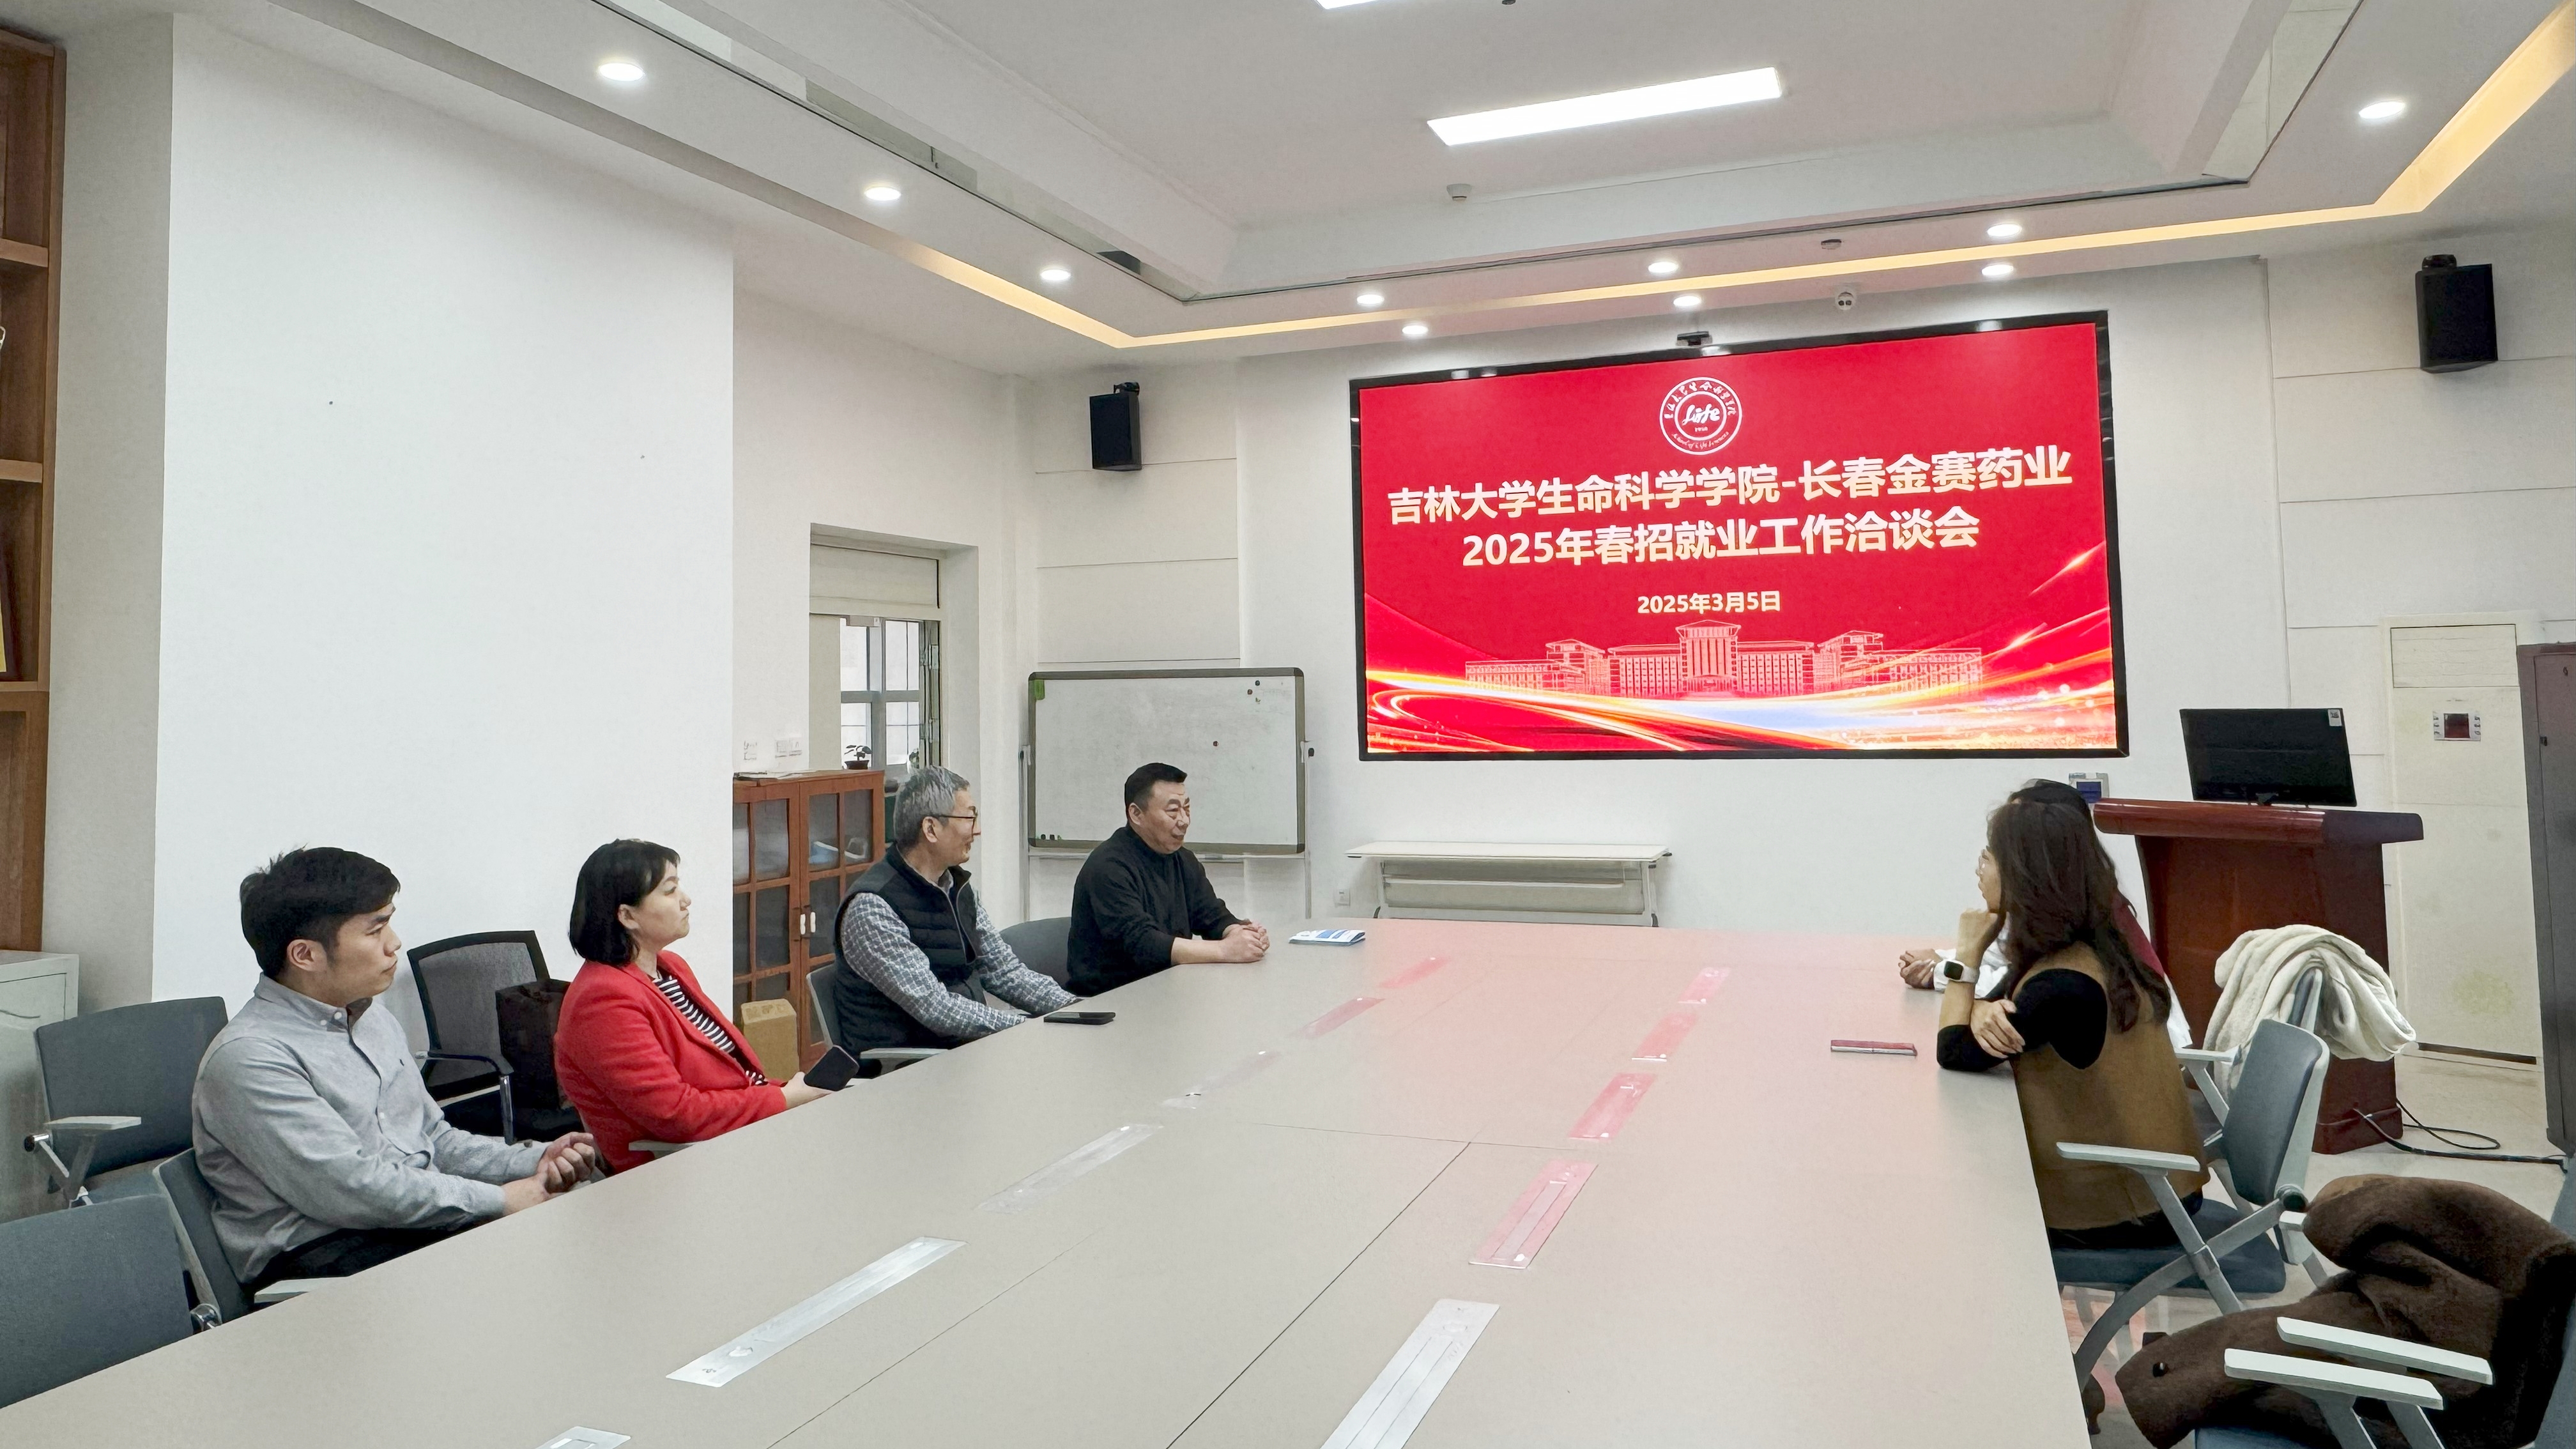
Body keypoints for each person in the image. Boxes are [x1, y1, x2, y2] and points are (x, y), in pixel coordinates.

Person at [192, 848, 598, 1289]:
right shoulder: (251, 1058)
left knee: (585, 1222)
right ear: (305, 955)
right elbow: (353, 1190)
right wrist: (499, 1200)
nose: (394, 943)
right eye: (376, 929)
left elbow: (433, 1139)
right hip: (326, 1254)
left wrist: (530, 1159)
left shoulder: (372, 1019)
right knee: (545, 1267)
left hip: (405, 1224)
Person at [1936, 799, 2208, 1252]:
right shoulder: (2093, 948)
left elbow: (1954, 1052)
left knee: (1951, 1213)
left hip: (2130, 1209)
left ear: (2025, 875)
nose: (1980, 869)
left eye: (1990, 857)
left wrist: (1966, 955)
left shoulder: (2062, 986)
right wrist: (1982, 1008)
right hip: (2162, 1190)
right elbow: (1990, 1014)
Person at [555, 839, 827, 1174]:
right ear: (627, 916)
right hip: (678, 1167)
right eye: (670, 891)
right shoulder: (602, 1001)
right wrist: (783, 1099)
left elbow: (735, 1075)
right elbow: (676, 1115)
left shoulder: (671, 968)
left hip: (736, 1133)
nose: (686, 900)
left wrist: (788, 1094)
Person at [1900, 779, 2192, 1052]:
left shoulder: (2076, 954)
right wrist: (1948, 962)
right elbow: (2005, 961)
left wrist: (1952, 974)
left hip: (2163, 1060)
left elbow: (1959, 1045)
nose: (1983, 865)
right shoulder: (2076, 907)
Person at [831, 767, 1079, 1052]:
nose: (977, 830)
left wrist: (1075, 1009)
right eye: (969, 818)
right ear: (931, 829)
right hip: (911, 1064)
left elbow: (1003, 972)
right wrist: (1027, 1028)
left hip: (964, 1048)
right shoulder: (873, 908)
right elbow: (936, 1009)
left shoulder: (956, 886)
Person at [1066, 762, 1270, 997]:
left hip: (1168, 989)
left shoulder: (1183, 859)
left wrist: (1239, 933)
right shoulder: (1108, 867)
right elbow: (1143, 943)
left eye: (1187, 808)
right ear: (1136, 814)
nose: (1184, 820)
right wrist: (1225, 950)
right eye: (1173, 811)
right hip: (1111, 999)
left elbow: (1211, 915)